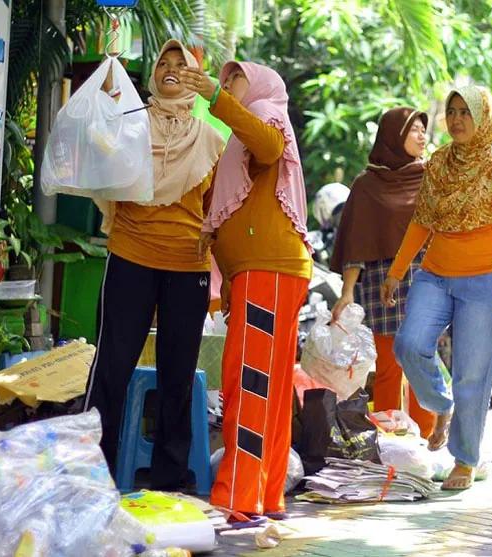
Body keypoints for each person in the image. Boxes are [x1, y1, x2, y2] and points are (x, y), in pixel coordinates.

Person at [83, 40, 225, 488]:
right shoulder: (130, 126)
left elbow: (215, 213)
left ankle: (170, 478)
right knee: (112, 366)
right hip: (131, 256)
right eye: (163, 62)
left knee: (178, 374)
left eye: (181, 65)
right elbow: (101, 162)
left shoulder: (210, 141)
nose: (169, 69)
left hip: (188, 266)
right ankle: (91, 471)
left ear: (196, 78)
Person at [181, 60, 312, 522]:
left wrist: (218, 99)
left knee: (250, 385)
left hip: (268, 270)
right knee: (270, 390)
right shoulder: (243, 134)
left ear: (256, 85)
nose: (229, 84)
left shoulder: (266, 118)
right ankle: (265, 494)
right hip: (268, 272)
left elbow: (269, 146)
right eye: (227, 79)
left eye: (235, 77)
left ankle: (237, 494)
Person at [382, 85, 492, 491]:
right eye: (453, 111)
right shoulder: (439, 162)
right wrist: (397, 271)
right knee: (408, 343)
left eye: (467, 111)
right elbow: (422, 221)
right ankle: (441, 405)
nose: (458, 119)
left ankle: (465, 459)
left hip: (484, 281)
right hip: (435, 274)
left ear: (483, 117)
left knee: (473, 376)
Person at [329, 106, 436, 439]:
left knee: (422, 361)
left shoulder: (432, 177)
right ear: (394, 136)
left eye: (423, 129)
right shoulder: (366, 185)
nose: (422, 136)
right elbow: (356, 243)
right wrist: (347, 293)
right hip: (381, 284)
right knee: (389, 368)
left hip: (426, 280)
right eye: (413, 130)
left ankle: (426, 441)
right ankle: (391, 441)